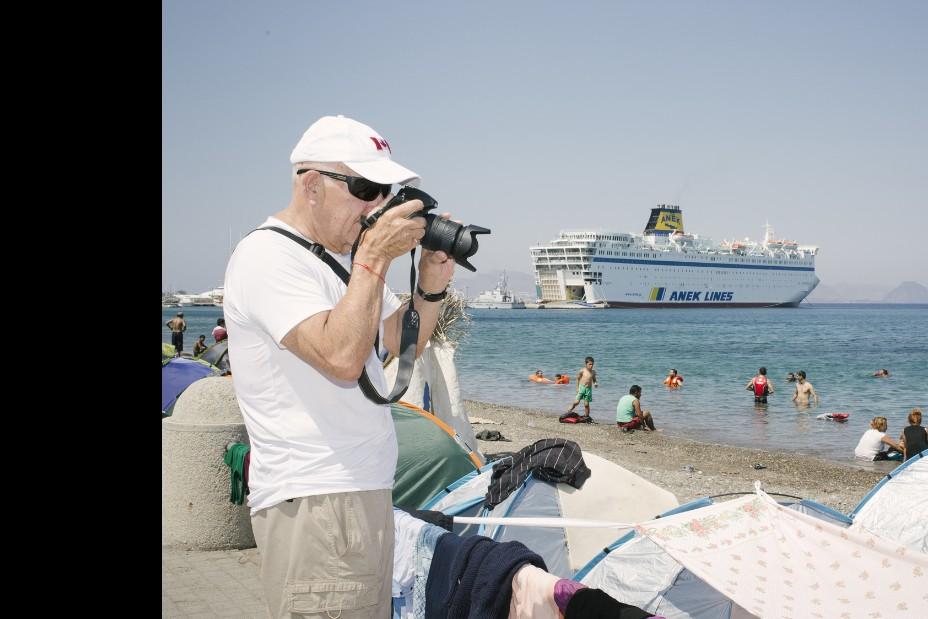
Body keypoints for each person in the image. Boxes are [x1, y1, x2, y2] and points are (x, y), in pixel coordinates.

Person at [223, 115, 455, 618]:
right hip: (317, 499)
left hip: (358, 491)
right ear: (311, 185)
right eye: (366, 188)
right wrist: (374, 257)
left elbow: (395, 338)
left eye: (386, 191)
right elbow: (341, 358)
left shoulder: (339, 259)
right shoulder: (267, 256)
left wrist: (431, 281)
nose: (378, 207)